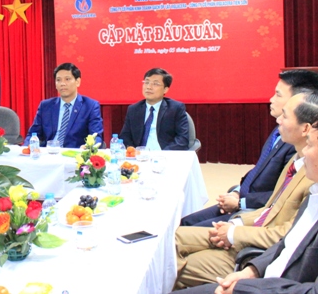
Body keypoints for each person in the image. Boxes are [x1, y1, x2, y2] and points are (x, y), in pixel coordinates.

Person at [171, 93, 318, 294]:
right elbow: (272, 211)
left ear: (306, 129)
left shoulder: (310, 178)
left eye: (285, 115)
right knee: (168, 241)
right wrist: (235, 225)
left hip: (258, 258)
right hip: (255, 248)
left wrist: (234, 234)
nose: (278, 120)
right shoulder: (298, 163)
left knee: (171, 264)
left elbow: (285, 237)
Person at [181, 70, 318, 227]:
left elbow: (281, 195)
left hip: (255, 211)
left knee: (185, 231)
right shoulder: (279, 130)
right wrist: (237, 191)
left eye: (278, 95)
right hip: (242, 199)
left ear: (298, 100)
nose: (271, 99)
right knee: (185, 222)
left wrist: (240, 203)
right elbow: (259, 170)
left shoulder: (298, 144)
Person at [24, 62, 103, 148]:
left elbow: (96, 136)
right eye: (58, 80)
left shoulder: (90, 106)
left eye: (67, 79)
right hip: (48, 152)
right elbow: (33, 134)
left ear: (77, 82)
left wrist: (89, 146)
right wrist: (27, 147)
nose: (62, 83)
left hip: (75, 153)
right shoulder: (46, 106)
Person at [120, 67, 189, 150]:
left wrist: (162, 154)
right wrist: (133, 151)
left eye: (155, 84)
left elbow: (182, 139)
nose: (149, 87)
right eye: (146, 82)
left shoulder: (175, 108)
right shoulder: (133, 109)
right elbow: (125, 136)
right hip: (140, 155)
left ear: (165, 89)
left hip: (165, 154)